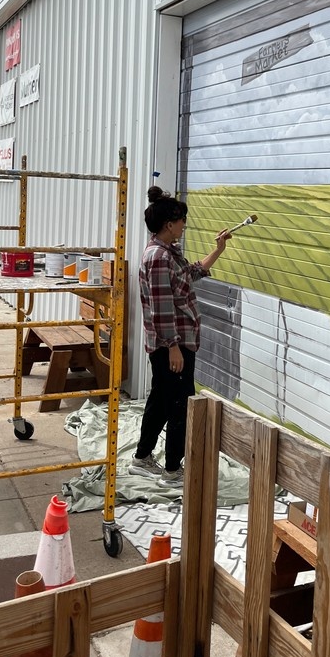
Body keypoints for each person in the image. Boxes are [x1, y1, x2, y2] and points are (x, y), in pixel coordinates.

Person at [130, 186, 231, 486]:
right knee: (179, 404)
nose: (184, 224)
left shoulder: (167, 253)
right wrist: (173, 347)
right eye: (182, 220)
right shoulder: (159, 258)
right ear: (168, 224)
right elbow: (162, 308)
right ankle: (172, 471)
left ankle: (141, 457)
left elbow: (192, 273)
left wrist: (218, 250)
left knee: (161, 399)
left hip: (171, 343)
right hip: (171, 345)